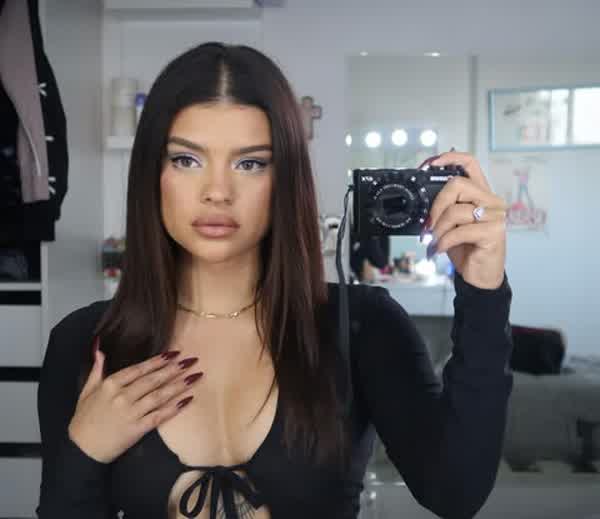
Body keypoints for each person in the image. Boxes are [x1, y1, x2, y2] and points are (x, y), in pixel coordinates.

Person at [36, 42, 514, 519]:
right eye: (186, 160)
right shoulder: (84, 344)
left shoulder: (363, 328)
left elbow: (455, 494)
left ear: (284, 177)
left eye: (250, 163)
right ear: (151, 171)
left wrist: (484, 294)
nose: (217, 192)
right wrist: (84, 449)